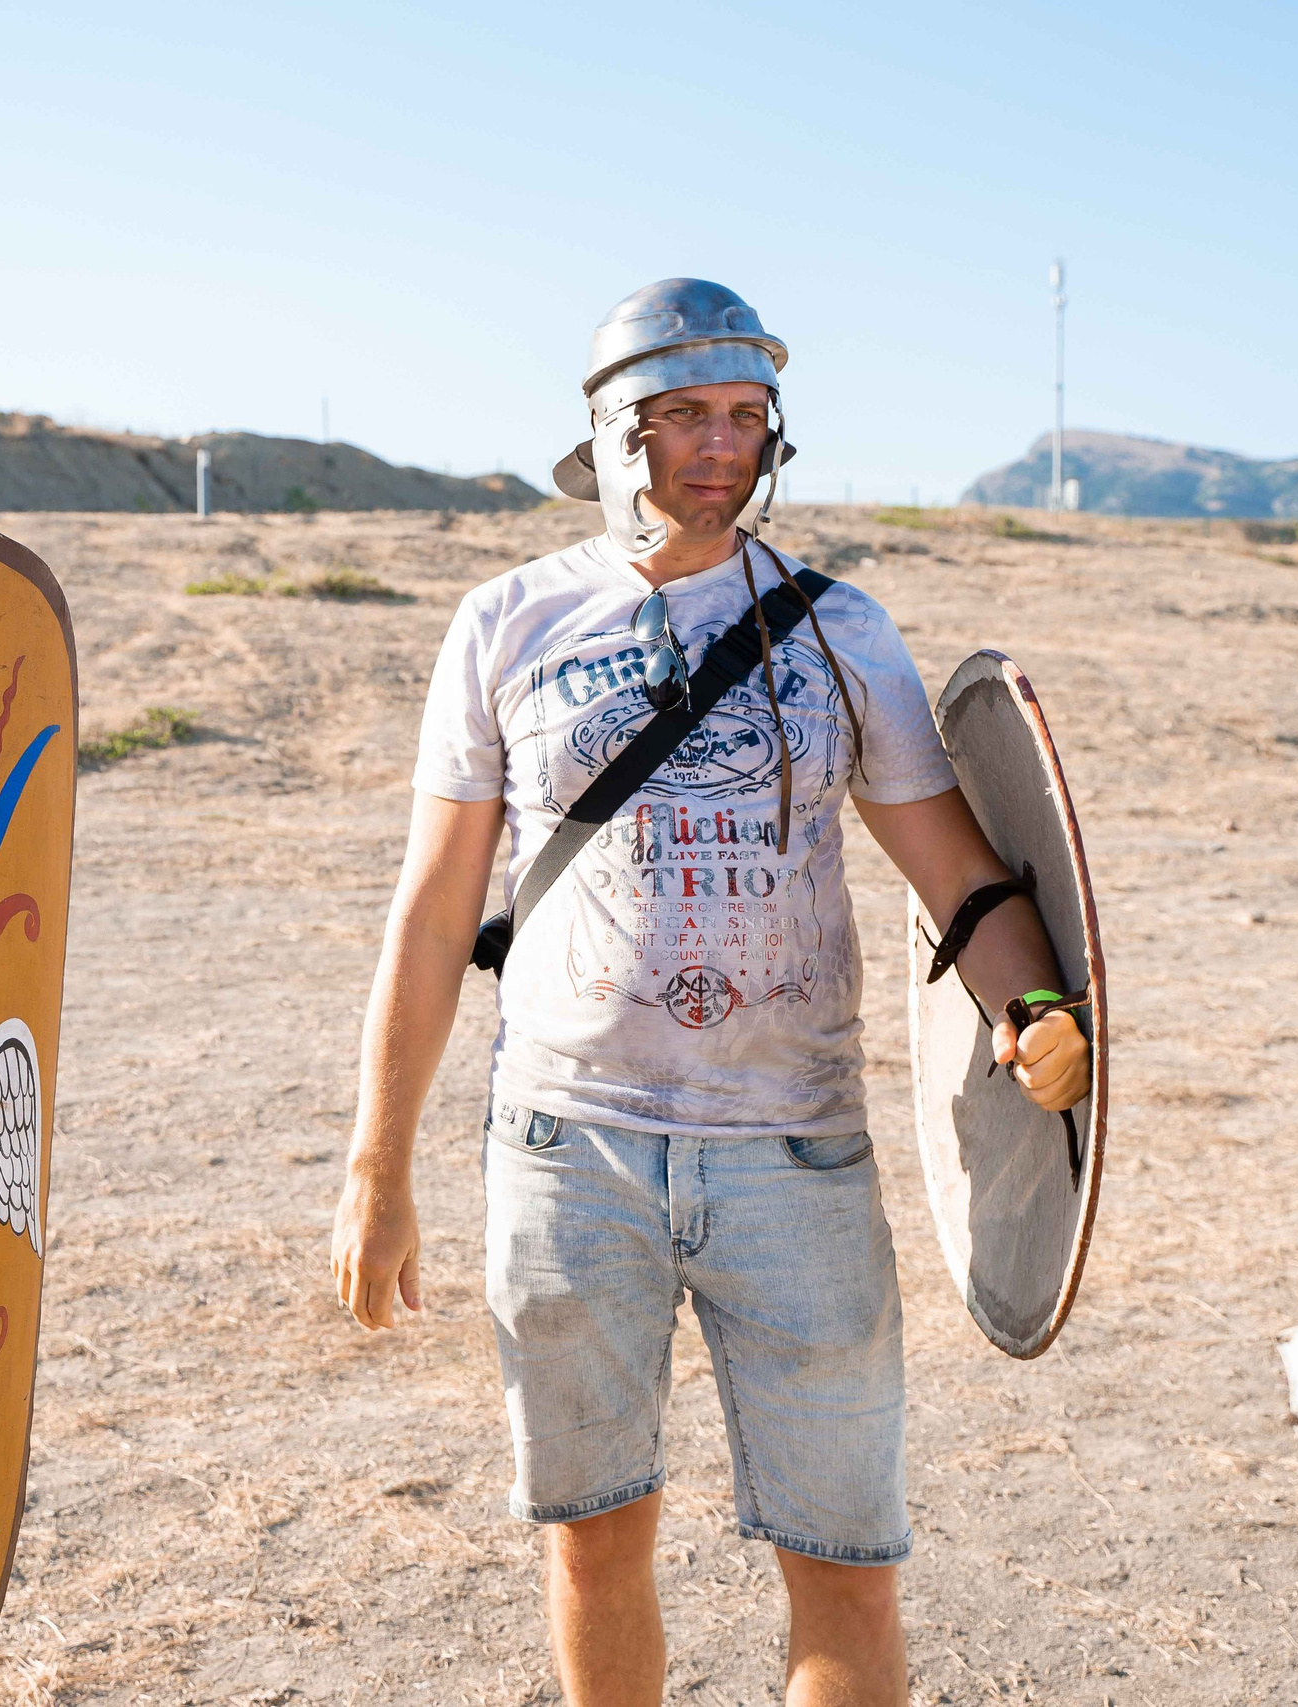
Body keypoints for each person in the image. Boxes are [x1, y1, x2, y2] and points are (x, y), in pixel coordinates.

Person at [330, 279, 1092, 1707]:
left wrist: (1035, 1008)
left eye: (746, 416)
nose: (718, 446)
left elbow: (960, 876)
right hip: (567, 1148)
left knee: (848, 1565)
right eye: (682, 413)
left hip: (792, 1153)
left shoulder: (843, 631)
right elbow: (435, 916)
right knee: (595, 1550)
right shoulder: (505, 623)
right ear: (610, 432)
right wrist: (378, 1163)